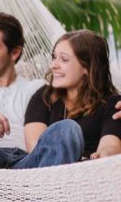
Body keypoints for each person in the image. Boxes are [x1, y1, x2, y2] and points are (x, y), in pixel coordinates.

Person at [0, 13, 121, 168]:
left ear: (15, 52)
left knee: (68, 129)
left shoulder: (36, 89)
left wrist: (100, 158)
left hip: (29, 167)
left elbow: (43, 150)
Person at [24, 29, 121, 160]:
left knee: (69, 128)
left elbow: (110, 147)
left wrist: (101, 156)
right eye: (54, 57)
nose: (53, 65)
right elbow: (36, 150)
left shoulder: (113, 104)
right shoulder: (44, 96)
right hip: (37, 169)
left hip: (82, 171)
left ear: (87, 67)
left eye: (63, 59)